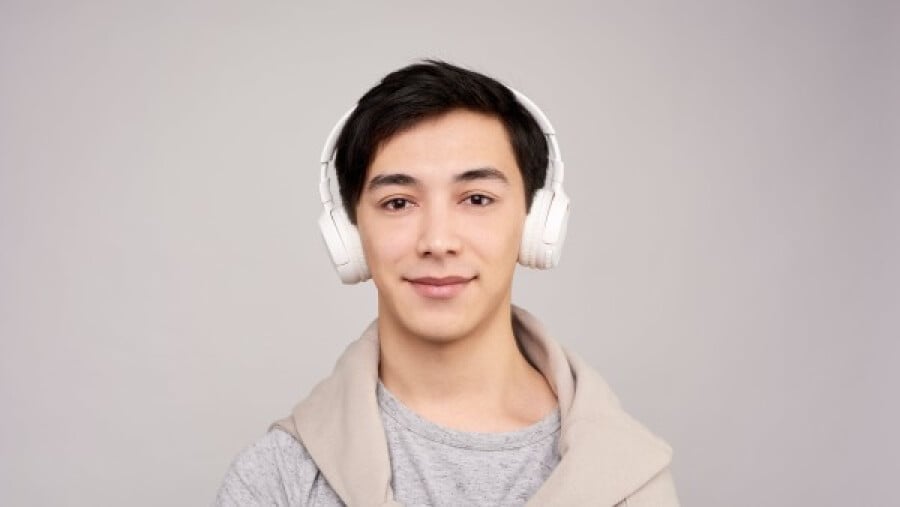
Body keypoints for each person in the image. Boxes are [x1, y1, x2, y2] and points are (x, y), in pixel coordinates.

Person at [214, 59, 680, 506]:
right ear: (350, 236)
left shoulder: (630, 481)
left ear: (536, 223)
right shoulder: (278, 481)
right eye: (398, 203)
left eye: (477, 198)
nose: (438, 241)